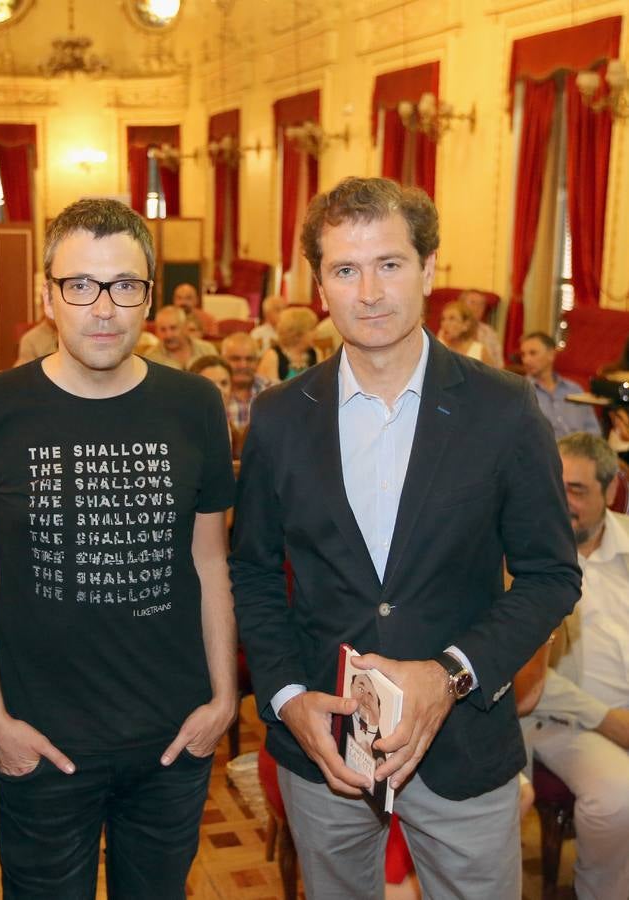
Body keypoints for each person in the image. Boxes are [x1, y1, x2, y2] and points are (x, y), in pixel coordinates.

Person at [231, 176, 581, 899]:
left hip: (463, 745)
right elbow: (256, 574)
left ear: (428, 269)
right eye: (345, 269)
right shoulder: (279, 417)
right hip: (325, 745)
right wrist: (289, 696)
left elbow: (551, 576)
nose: (369, 291)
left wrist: (450, 672)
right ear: (319, 286)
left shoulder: (504, 409)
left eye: (389, 264)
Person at [0, 198, 237, 899]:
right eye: (81, 285)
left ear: (148, 297)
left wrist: (223, 699)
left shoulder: (195, 404)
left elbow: (211, 561)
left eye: (124, 286)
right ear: (48, 295)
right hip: (39, 741)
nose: (103, 308)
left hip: (172, 738)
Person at [521, 433, 629, 900]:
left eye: (578, 490)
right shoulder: (524, 552)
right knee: (616, 798)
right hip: (562, 717)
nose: (562, 501)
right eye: (555, 485)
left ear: (610, 491)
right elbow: (527, 672)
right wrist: (608, 720)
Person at [519, 331, 600, 438]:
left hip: (581, 451)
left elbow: (594, 431)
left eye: (533, 353)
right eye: (523, 355)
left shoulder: (574, 389)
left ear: (551, 355)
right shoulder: (522, 392)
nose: (526, 360)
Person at [220, 331, 271, 430]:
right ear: (222, 359)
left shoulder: (273, 391)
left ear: (257, 361)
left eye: (250, 359)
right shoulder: (212, 394)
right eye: (235, 359)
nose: (243, 365)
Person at [144, 305, 218, 370]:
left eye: (173, 328)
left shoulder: (207, 350)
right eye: (163, 330)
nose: (168, 335)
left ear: (184, 327)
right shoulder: (151, 359)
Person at [257, 305, 319, 381]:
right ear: (297, 333)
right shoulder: (273, 356)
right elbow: (271, 391)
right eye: (312, 329)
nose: (317, 333)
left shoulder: (315, 354)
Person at [458, 290, 504, 369]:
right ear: (461, 305)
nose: (477, 307)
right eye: (473, 303)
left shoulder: (489, 332)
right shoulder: (449, 330)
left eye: (481, 304)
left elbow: (499, 365)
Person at [437, 299, 492, 364]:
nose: (445, 324)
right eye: (443, 319)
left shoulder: (479, 351)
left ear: (466, 325)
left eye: (452, 318)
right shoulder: (438, 347)